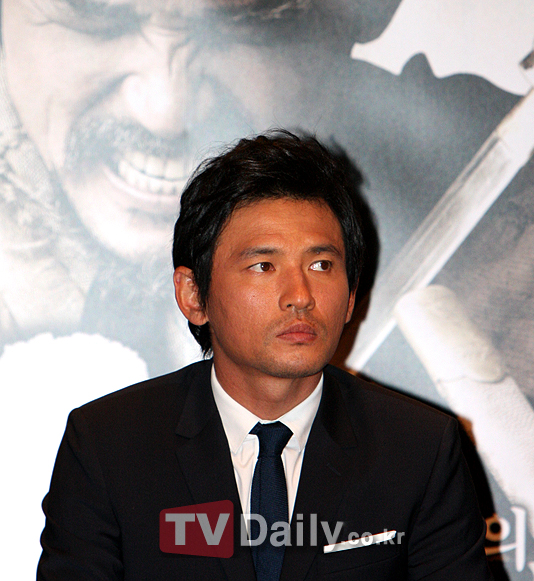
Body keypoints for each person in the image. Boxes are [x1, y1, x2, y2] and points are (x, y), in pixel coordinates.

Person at [38, 130, 491, 580]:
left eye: (321, 265)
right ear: (194, 294)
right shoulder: (108, 446)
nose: (300, 296)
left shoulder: (418, 449)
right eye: (263, 266)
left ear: (351, 296)